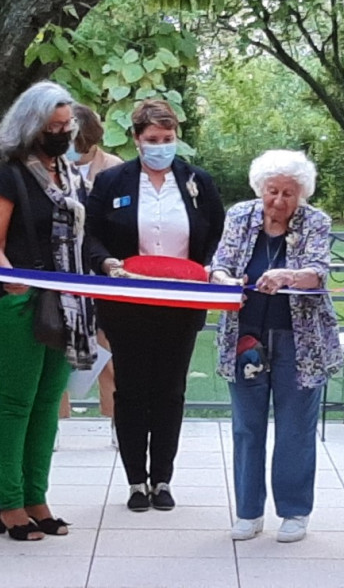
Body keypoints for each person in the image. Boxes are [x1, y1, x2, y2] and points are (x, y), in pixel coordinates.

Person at [85, 99, 225, 512]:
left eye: (168, 139)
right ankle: (135, 481)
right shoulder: (112, 182)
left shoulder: (199, 182)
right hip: (128, 302)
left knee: (170, 390)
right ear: (136, 139)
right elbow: (91, 236)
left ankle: (162, 477)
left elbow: (217, 235)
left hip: (181, 303)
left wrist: (211, 270)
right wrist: (107, 263)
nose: (161, 146)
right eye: (152, 140)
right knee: (130, 390)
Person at [210, 149, 342, 543]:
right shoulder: (239, 215)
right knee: (246, 427)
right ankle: (248, 512)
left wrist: (288, 275)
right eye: (273, 191)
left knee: (296, 427)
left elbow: (318, 273)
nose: (280, 202)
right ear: (260, 189)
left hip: (300, 341)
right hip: (244, 337)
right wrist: (224, 279)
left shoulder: (315, 221)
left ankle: (295, 511)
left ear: (301, 195)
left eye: (289, 193)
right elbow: (220, 263)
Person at [0, 81, 95, 541]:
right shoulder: (6, 175)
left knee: (49, 403)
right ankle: (8, 504)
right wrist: (12, 281)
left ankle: (36, 497)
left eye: (67, 125)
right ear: (32, 126)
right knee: (16, 402)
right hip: (20, 301)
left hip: (67, 304)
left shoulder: (71, 177)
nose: (63, 133)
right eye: (53, 126)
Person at [59, 103, 122, 441]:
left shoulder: (115, 169)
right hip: (62, 266)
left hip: (102, 266)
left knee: (107, 342)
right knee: (56, 339)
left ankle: (115, 418)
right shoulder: (49, 167)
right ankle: (55, 419)